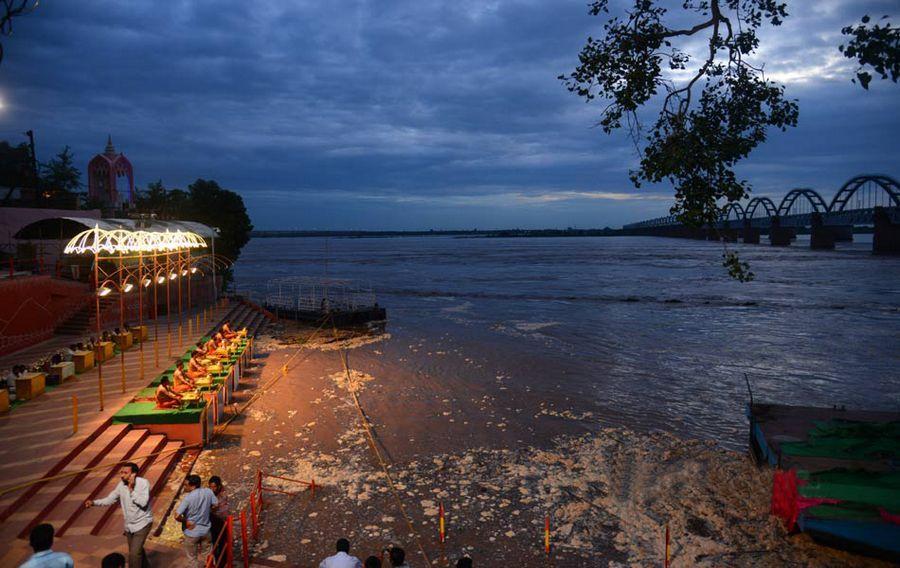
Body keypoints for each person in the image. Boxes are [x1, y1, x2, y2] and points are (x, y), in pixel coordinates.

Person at [84, 462, 153, 568]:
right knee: (136, 551)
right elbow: (110, 499)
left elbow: (143, 503)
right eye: (121, 472)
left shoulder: (143, 483)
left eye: (125, 473)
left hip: (142, 523)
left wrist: (131, 490)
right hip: (129, 526)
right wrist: (94, 502)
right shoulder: (121, 485)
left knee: (134, 554)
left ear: (133, 474)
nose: (121, 475)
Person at [175, 474, 218, 568]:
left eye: (186, 485)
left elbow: (177, 516)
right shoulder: (208, 492)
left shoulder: (188, 498)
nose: (185, 487)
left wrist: (185, 521)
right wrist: (207, 511)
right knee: (208, 556)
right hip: (206, 531)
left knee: (192, 559)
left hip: (192, 533)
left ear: (192, 485)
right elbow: (215, 505)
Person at [208, 476, 229, 567]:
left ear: (219, 486)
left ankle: (222, 563)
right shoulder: (211, 494)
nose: (212, 489)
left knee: (221, 543)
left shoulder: (222, 495)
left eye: (214, 487)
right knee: (215, 544)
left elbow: (216, 508)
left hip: (221, 522)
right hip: (213, 522)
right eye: (210, 487)